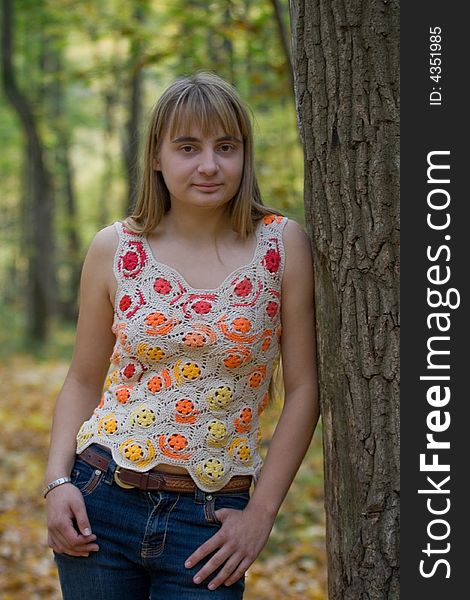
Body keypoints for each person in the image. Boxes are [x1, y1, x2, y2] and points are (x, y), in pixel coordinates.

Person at [44, 71, 319, 600]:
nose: (210, 165)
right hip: (101, 499)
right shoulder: (114, 248)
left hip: (211, 522)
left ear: (245, 154)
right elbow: (82, 380)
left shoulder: (283, 246)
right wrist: (58, 484)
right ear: (156, 156)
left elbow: (305, 390)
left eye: (226, 147)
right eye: (188, 148)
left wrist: (260, 516)